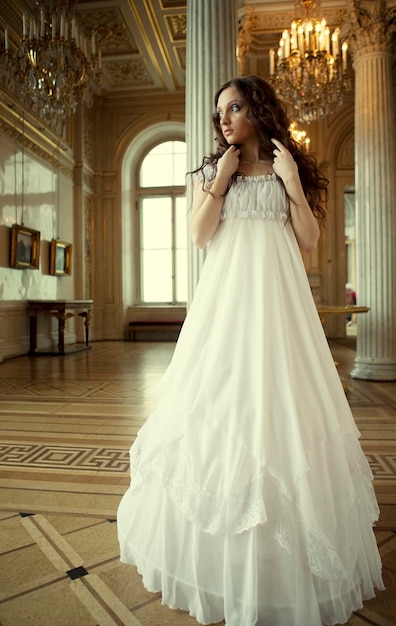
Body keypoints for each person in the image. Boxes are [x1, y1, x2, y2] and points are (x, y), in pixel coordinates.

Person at [117, 76, 383, 626]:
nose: (224, 119)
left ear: (258, 110)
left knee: (283, 409)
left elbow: (309, 242)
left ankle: (286, 542)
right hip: (226, 312)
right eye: (220, 111)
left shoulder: (288, 164)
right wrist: (220, 182)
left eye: (234, 107)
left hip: (282, 313)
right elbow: (198, 236)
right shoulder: (215, 172)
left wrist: (289, 181)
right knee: (223, 407)